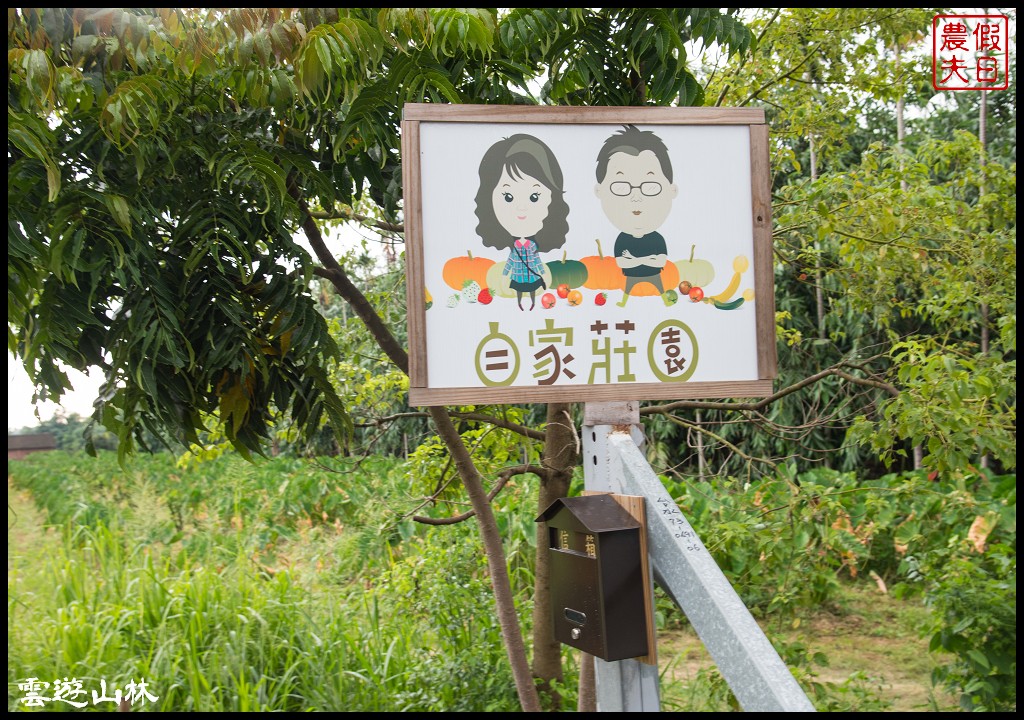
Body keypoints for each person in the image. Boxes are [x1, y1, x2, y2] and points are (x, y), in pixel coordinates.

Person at [475, 134, 570, 310]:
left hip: (530, 277)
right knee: (519, 291)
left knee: (531, 290)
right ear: (488, 199)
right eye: (508, 197)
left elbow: (536, 262)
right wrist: (505, 274)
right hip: (518, 276)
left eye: (534, 197)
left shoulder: (533, 246)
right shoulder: (516, 247)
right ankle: (520, 303)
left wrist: (541, 272)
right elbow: (511, 262)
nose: (521, 208)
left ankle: (532, 303)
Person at [594, 125, 679, 307]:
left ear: (672, 190)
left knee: (660, 287)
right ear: (599, 191)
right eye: (621, 186)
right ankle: (623, 303)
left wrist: (636, 260)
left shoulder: (656, 238)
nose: (636, 197)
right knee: (627, 289)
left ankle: (664, 300)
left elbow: (661, 260)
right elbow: (621, 262)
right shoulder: (623, 238)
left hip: (654, 275)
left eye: (649, 186)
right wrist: (646, 260)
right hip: (631, 276)